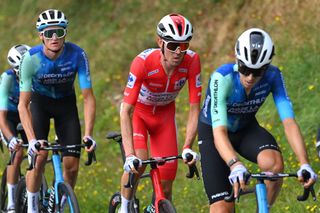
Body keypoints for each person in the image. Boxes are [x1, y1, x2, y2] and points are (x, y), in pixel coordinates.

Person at [198, 28, 317, 213]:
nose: (250, 77)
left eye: (257, 71)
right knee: (222, 209)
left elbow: (289, 122)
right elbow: (219, 132)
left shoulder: (273, 76)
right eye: (245, 69)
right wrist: (234, 164)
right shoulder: (222, 78)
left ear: (266, 66)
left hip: (245, 128)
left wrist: (304, 163)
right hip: (214, 133)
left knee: (274, 165)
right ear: (237, 60)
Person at [119, 13, 201, 213]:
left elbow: (194, 108)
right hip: (140, 114)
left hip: (164, 117)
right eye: (173, 45)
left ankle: (157, 208)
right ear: (160, 42)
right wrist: (129, 155)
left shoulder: (192, 61)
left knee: (167, 180)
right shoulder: (143, 62)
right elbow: (126, 110)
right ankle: (124, 207)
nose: (178, 52)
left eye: (184, 46)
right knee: (138, 163)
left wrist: (188, 146)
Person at [18, 9, 96, 213]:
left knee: (72, 165)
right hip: (39, 105)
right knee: (40, 156)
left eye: (59, 32)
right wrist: (32, 139)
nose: (54, 37)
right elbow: (23, 104)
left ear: (65, 33)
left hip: (66, 106)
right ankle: (33, 207)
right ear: (41, 35)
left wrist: (88, 134)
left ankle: (60, 205)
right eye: (49, 32)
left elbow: (88, 97)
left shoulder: (77, 54)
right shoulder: (30, 58)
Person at [0, 44, 30, 212]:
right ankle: (11, 203)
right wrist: (11, 140)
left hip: (25, 115)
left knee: (38, 149)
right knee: (17, 152)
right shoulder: (7, 79)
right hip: (7, 116)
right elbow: (1, 118)